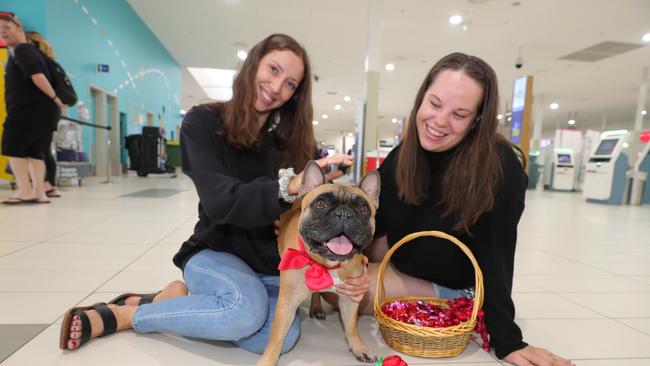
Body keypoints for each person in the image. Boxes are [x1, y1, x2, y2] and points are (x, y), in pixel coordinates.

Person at [59, 34, 354, 354]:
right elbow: (222, 201)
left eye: (290, 84)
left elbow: (303, 222)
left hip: (268, 264)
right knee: (244, 313)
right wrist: (286, 189)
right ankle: (127, 314)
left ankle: (178, 299)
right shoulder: (203, 123)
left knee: (279, 339)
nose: (276, 87)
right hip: (216, 250)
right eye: (272, 69)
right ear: (253, 63)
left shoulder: (293, 146)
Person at [334, 53, 573, 366]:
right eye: (434, 104)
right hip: (405, 259)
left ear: (477, 121)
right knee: (337, 272)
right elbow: (376, 224)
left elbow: (497, 253)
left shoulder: (499, 168)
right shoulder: (404, 155)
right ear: (421, 100)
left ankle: (461, 306)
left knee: (336, 288)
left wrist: (508, 341)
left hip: (455, 283)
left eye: (459, 114)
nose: (440, 121)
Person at [0, 13, 64, 204]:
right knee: (35, 151)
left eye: (7, 28)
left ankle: (25, 190)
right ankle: (39, 192)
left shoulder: (22, 50)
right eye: (0, 30)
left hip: (27, 111)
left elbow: (38, 77)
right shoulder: (34, 51)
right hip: (43, 112)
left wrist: (55, 98)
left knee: (13, 148)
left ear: (19, 29)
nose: (3, 33)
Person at [26, 31, 61, 198]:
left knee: (36, 150)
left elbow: (38, 82)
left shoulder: (36, 63)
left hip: (39, 111)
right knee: (45, 149)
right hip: (50, 112)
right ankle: (50, 186)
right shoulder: (51, 62)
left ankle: (44, 186)